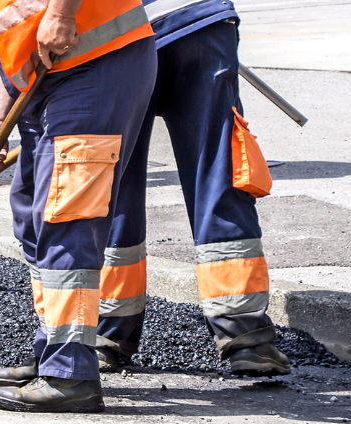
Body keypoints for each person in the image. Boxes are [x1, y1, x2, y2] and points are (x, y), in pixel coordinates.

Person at [0, 0, 157, 412]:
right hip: (44, 80)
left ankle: (70, 373)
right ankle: (54, 349)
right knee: (31, 213)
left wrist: (60, 13)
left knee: (67, 216)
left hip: (97, 64)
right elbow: (0, 32)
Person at [92, 1, 290, 376]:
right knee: (216, 170)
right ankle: (246, 336)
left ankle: (106, 333)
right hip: (197, 20)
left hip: (113, 34)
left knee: (114, 180)